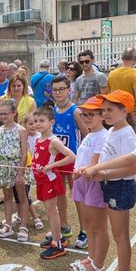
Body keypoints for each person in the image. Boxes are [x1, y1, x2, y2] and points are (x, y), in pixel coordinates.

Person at [91, 90, 136, 271]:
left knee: (120, 236)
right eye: (104, 110)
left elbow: (133, 168)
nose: (105, 113)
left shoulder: (126, 134)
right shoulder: (113, 130)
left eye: (110, 110)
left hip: (120, 187)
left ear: (124, 111)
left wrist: (104, 173)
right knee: (119, 235)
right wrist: (94, 170)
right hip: (112, 185)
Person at [70, 97, 108, 271]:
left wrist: (83, 171)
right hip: (82, 181)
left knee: (98, 226)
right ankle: (91, 257)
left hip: (93, 183)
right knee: (89, 223)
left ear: (102, 115)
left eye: (91, 114)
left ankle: (98, 265)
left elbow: (94, 163)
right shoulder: (91, 134)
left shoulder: (103, 135)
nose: (86, 118)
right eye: (84, 114)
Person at [32, 106, 76, 259]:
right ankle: (60, 238)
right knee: (49, 211)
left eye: (42, 121)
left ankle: (57, 244)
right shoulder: (39, 138)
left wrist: (51, 166)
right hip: (41, 180)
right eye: (36, 120)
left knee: (51, 212)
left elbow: (71, 156)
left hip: (50, 180)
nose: (38, 123)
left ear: (51, 122)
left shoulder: (54, 141)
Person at [50, 76, 88, 249]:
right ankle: (64, 226)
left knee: (78, 197)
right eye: (55, 90)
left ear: (69, 90)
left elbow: (87, 136)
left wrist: (84, 159)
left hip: (74, 161)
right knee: (59, 193)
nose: (58, 93)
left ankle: (85, 231)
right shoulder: (52, 111)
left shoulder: (75, 111)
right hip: (57, 160)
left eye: (61, 89)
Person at [0, 99, 29, 242]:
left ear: (14, 113)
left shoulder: (21, 130)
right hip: (3, 167)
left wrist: (20, 173)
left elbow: (24, 153)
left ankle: (23, 226)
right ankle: (8, 224)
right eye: (0, 114)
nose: (2, 117)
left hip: (17, 166)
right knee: (7, 196)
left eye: (5, 113)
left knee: (22, 197)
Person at [107, 47, 136, 116]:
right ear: (135, 58)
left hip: (116, 112)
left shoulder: (111, 74)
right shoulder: (135, 75)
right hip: (132, 113)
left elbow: (109, 93)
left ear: (122, 58)